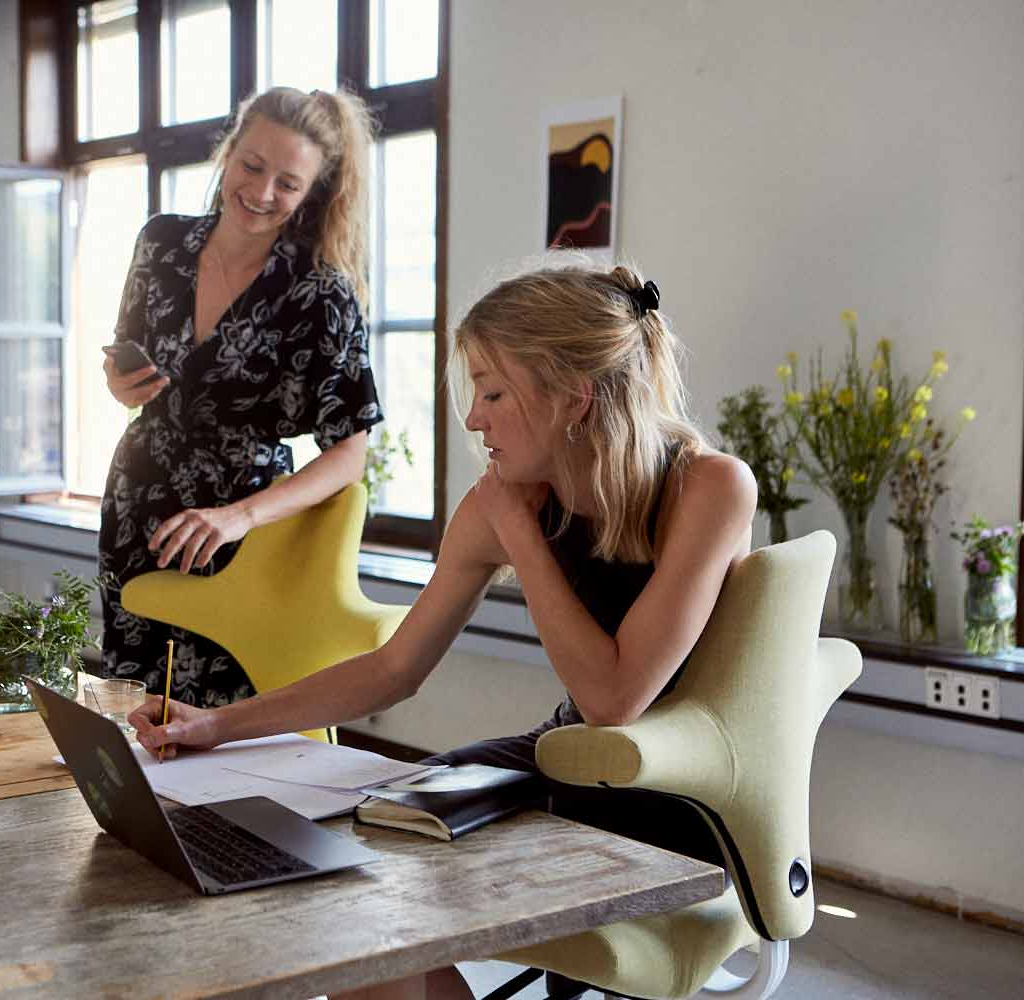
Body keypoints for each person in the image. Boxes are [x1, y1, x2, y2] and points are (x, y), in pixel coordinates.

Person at [130, 263, 757, 999]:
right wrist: (220, 726)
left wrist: (521, 538)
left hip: (678, 793)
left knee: (384, 863)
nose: (473, 419)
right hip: (567, 758)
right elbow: (394, 669)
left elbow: (617, 699)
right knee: (351, 869)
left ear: (571, 399)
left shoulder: (709, 487)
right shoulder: (504, 503)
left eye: (493, 392)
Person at [99, 86, 384, 708]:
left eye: (287, 183)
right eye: (252, 166)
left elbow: (350, 454)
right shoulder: (161, 244)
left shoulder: (320, 293)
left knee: (218, 718)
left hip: (240, 530)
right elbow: (127, 364)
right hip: (136, 502)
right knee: (134, 700)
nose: (261, 193)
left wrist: (240, 517)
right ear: (229, 153)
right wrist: (122, 384)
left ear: (312, 194)